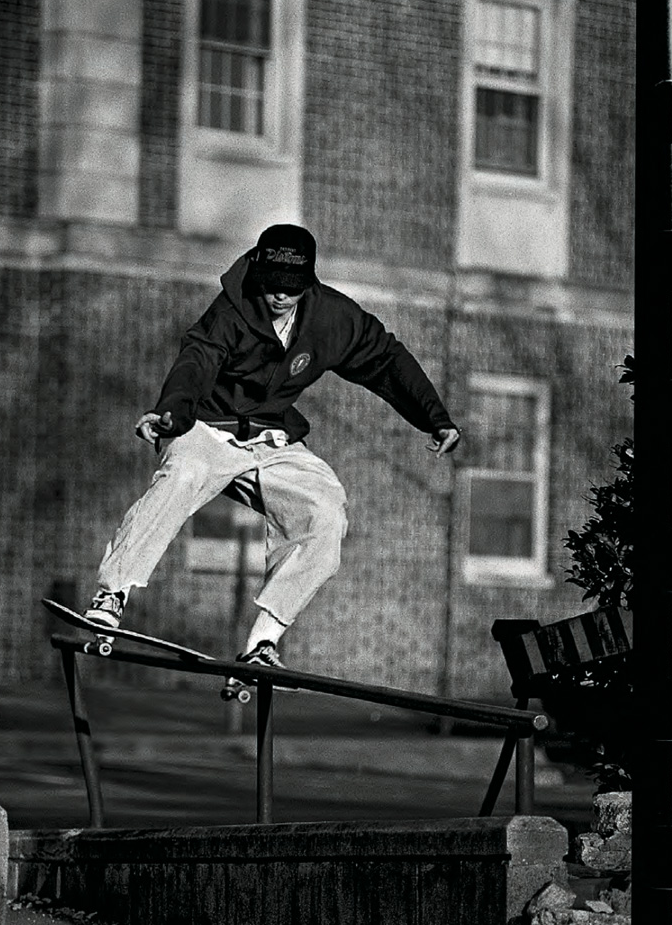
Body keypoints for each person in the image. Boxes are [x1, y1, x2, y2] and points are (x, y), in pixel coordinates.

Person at [84, 223, 460, 669]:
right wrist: (172, 411)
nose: (280, 297)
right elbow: (197, 359)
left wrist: (432, 417)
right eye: (273, 287)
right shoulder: (231, 310)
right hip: (207, 427)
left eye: (292, 290)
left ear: (308, 283)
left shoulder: (331, 318)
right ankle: (113, 592)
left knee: (325, 511)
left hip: (272, 437)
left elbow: (385, 358)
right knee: (181, 477)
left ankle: (263, 640)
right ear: (259, 273)